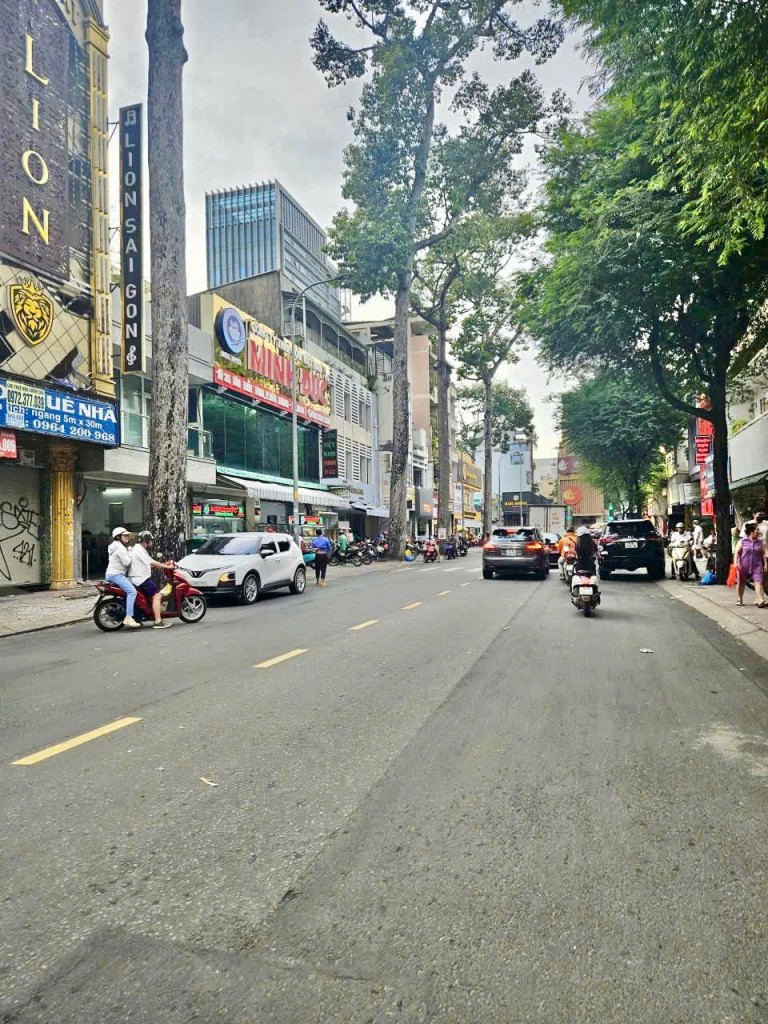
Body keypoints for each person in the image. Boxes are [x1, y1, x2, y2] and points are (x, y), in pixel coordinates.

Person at [129, 531, 174, 628]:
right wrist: (167, 567)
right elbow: (151, 561)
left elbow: (148, 563)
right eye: (150, 540)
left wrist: (162, 564)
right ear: (146, 541)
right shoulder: (139, 549)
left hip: (138, 578)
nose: (151, 543)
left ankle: (140, 617)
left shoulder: (138, 548)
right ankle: (158, 621)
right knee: (157, 596)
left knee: (148, 598)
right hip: (142, 579)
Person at [106, 527, 140, 628]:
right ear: (118, 537)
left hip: (112, 574)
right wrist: (130, 552)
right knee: (132, 592)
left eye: (127, 535)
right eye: (125, 535)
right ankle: (129, 617)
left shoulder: (114, 546)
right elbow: (126, 563)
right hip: (116, 575)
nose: (127, 537)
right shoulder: (120, 548)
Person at [734, 520, 768, 607]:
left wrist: (765, 564)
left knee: (759, 582)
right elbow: (737, 552)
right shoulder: (742, 541)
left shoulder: (759, 542)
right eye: (757, 530)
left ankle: (760, 600)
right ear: (751, 531)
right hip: (743, 565)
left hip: (757, 565)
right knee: (741, 582)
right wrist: (736, 563)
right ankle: (739, 599)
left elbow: (763, 554)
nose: (758, 531)